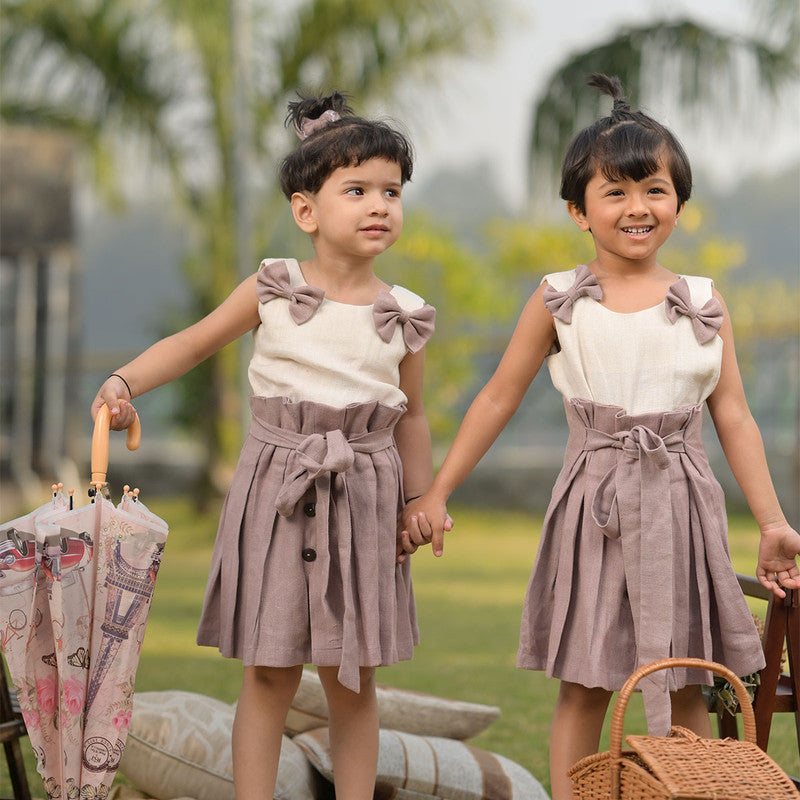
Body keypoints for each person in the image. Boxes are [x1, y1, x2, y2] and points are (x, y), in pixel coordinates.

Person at [399, 73, 800, 800]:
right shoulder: (559, 299)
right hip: (595, 510)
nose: (637, 206)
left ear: (679, 200)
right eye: (614, 192)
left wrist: (772, 522)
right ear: (578, 211)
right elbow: (497, 397)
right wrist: (439, 487)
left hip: (682, 506)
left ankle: (688, 792)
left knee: (686, 683)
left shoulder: (704, 302)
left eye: (653, 188)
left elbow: (733, 414)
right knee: (584, 682)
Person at [91, 91, 436, 800]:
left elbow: (413, 417)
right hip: (276, 494)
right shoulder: (272, 288)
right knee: (269, 669)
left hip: (367, 498)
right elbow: (191, 345)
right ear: (306, 211)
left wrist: (421, 501)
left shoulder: (405, 314)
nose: (380, 205)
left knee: (354, 675)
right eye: (358, 190)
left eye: (392, 192)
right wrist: (125, 381)